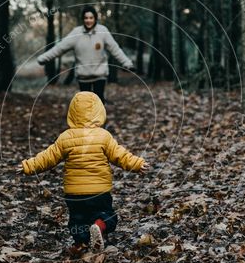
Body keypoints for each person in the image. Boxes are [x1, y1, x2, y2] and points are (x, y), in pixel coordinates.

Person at [19, 91, 149, 254]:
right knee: (107, 215)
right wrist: (137, 164)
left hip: (74, 193)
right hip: (99, 191)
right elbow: (120, 155)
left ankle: (81, 244)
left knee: (77, 220)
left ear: (72, 113)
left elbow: (48, 157)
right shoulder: (103, 136)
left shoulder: (65, 137)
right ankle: (99, 227)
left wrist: (28, 166)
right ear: (99, 112)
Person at [35, 6, 133, 104]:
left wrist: (127, 63)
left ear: (95, 19)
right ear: (83, 19)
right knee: (86, 105)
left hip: (100, 75)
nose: (88, 20)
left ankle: (98, 119)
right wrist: (43, 58)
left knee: (98, 103)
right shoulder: (76, 33)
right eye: (86, 18)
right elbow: (60, 48)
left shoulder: (103, 31)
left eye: (91, 18)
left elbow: (115, 49)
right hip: (83, 76)